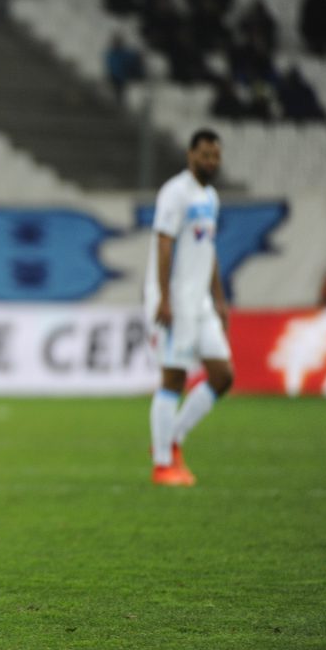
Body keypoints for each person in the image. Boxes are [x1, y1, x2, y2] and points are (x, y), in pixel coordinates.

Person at [144, 128, 234, 487]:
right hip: (177, 300)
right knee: (174, 378)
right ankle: (163, 464)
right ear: (190, 155)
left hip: (201, 302)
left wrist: (220, 298)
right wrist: (164, 297)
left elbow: (207, 249)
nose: (211, 161)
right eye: (205, 155)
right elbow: (164, 244)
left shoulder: (210, 197)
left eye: (216, 156)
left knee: (223, 376)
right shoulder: (175, 192)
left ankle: (172, 438)